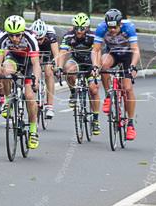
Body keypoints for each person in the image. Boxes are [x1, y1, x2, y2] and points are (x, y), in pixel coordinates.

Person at [0, 15, 42, 149]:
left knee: (30, 97)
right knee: (5, 71)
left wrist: (35, 80)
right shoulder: (2, 38)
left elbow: (36, 63)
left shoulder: (30, 38)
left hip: (28, 63)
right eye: (11, 35)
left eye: (17, 35)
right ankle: (9, 100)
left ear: (22, 32)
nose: (14, 39)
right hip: (13, 59)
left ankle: (33, 130)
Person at [92, 8, 140, 140]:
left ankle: (130, 124)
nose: (112, 30)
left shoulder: (128, 27)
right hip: (112, 54)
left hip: (127, 56)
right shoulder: (101, 28)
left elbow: (135, 50)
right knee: (103, 63)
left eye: (115, 27)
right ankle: (108, 95)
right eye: (110, 28)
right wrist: (95, 66)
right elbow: (96, 50)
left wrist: (132, 66)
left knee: (127, 88)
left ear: (120, 24)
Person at [58, 12, 101, 134]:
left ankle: (96, 119)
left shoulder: (93, 37)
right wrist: (60, 67)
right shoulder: (68, 36)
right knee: (68, 70)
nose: (79, 31)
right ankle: (73, 93)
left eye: (82, 28)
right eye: (77, 28)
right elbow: (62, 52)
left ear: (87, 28)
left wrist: (96, 67)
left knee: (93, 90)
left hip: (90, 62)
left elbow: (96, 52)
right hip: (76, 60)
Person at [29, 18, 59, 119]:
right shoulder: (30, 36)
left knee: (48, 71)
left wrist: (56, 66)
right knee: (33, 67)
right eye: (37, 39)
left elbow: (56, 54)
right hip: (34, 50)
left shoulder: (51, 35)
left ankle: (50, 106)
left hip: (47, 50)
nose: (39, 41)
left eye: (41, 39)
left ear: (45, 35)